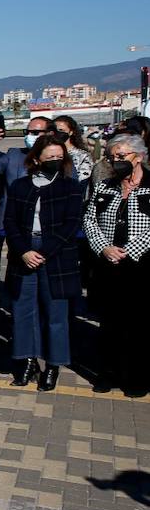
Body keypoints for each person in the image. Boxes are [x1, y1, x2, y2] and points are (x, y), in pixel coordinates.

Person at [4, 135, 82, 392]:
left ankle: (53, 365)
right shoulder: (20, 186)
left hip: (56, 255)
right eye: (50, 158)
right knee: (23, 310)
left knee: (55, 314)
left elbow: (71, 223)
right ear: (37, 159)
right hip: (24, 252)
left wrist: (45, 251)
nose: (55, 162)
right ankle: (27, 361)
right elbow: (10, 221)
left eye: (59, 158)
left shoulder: (70, 187)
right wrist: (24, 250)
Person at [84, 133, 150, 397]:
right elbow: (89, 219)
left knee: (139, 324)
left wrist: (131, 250)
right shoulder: (105, 187)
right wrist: (104, 248)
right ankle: (107, 373)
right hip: (108, 264)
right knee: (109, 323)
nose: (116, 161)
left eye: (122, 156)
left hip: (141, 264)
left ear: (139, 157)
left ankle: (136, 377)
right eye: (112, 157)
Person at [52, 115, 94, 182]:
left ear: (71, 132)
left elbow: (82, 180)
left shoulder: (83, 156)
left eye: (61, 130)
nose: (57, 133)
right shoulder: (48, 152)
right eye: (55, 130)